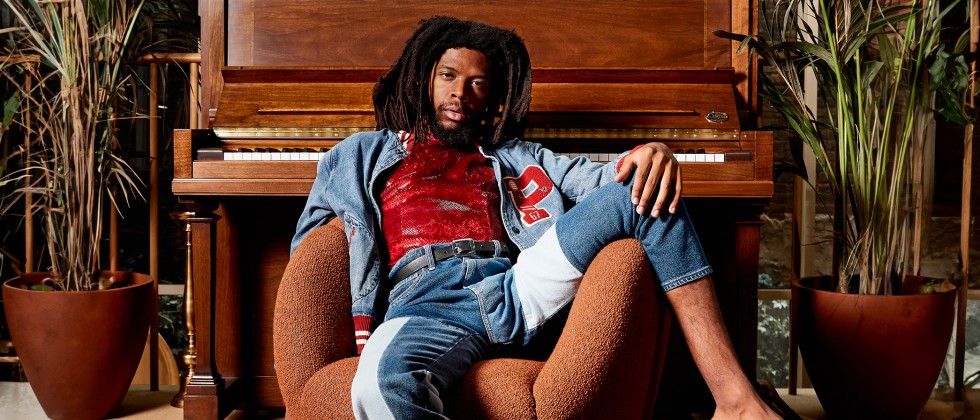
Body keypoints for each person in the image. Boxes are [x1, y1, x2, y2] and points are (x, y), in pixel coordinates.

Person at [291, 16, 778, 420]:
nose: (461, 92)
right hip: (426, 299)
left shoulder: (518, 156)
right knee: (380, 387)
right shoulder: (360, 155)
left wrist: (652, 152)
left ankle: (735, 401)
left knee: (642, 191)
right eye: (448, 75)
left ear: (492, 99)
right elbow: (309, 250)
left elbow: (605, 179)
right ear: (424, 77)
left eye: (477, 82)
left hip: (514, 286)